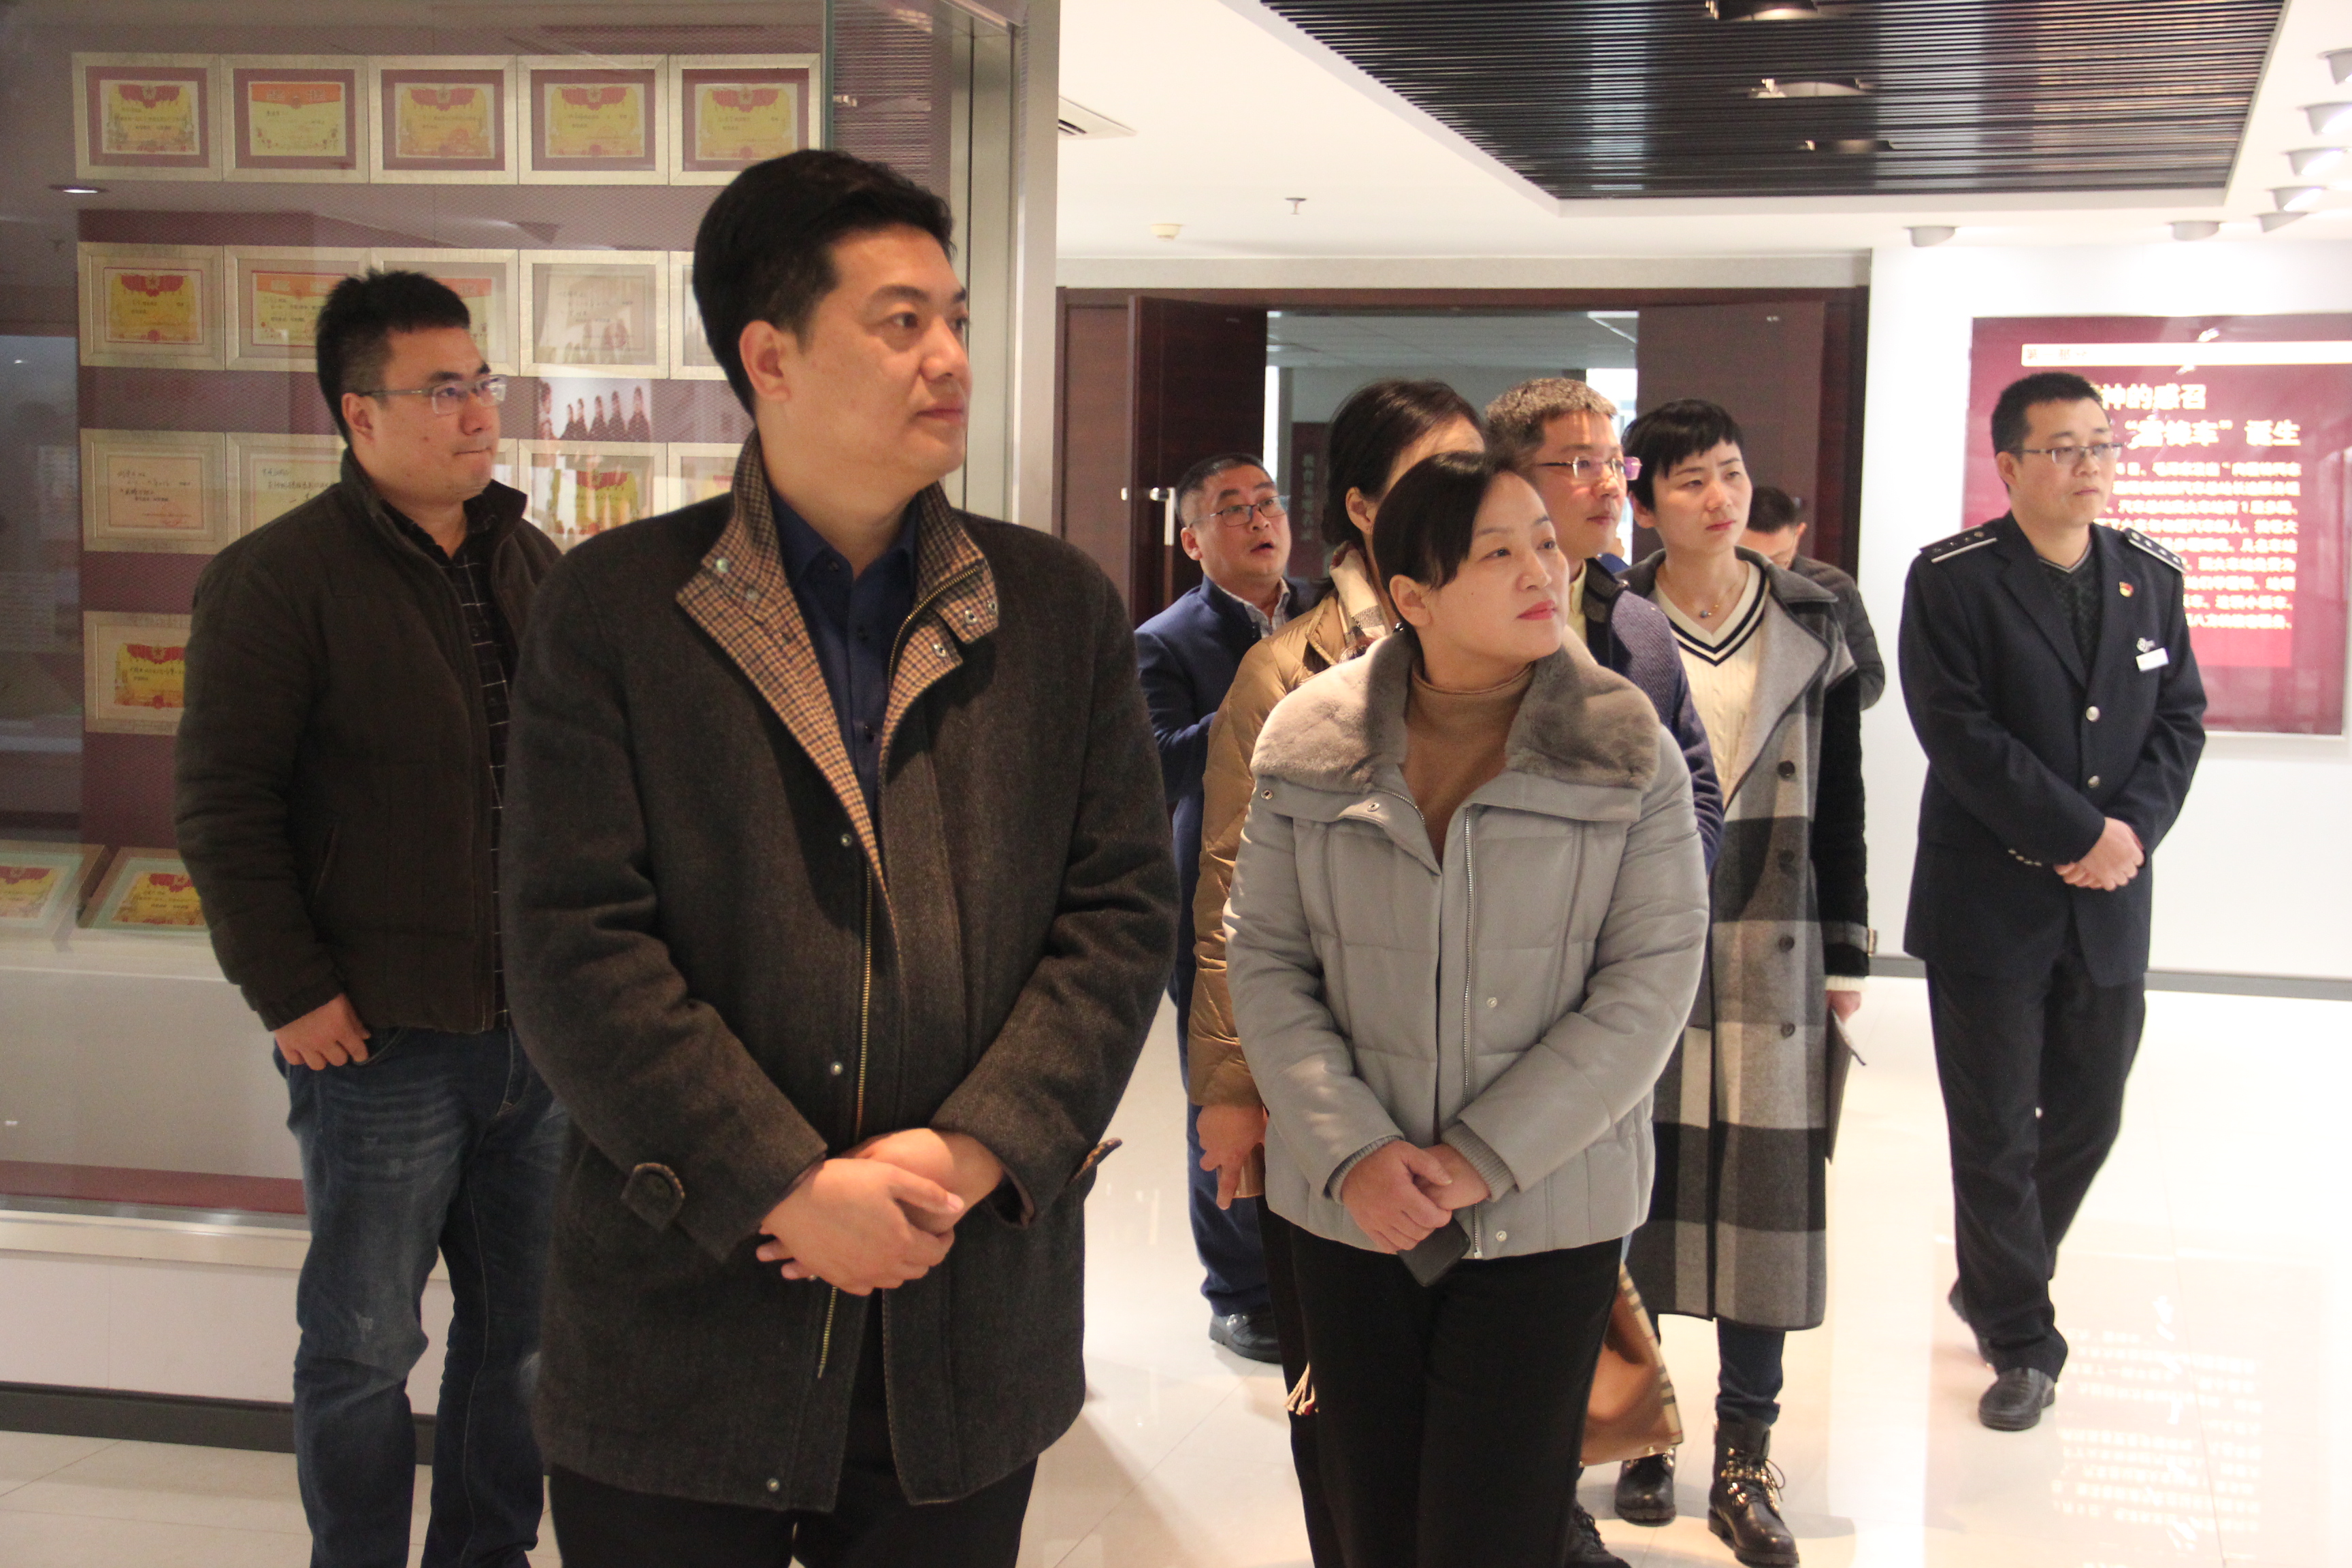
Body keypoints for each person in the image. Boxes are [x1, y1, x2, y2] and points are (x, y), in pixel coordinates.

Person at [497, 149, 1175, 1565]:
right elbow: (576, 946)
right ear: (771, 357)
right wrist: (786, 1184)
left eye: (956, 318)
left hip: (961, 1300)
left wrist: (967, 1150)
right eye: (900, 321)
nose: (950, 358)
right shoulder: (617, 607)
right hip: (686, 1308)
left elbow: (1118, 918)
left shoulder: (1054, 609)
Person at [1226, 448, 1709, 1568]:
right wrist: (1355, 1151)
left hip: (1547, 1203)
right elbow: (1266, 960)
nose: (1542, 569)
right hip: (1350, 1206)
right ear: (1413, 595)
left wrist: (1484, 1155)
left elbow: (1649, 981)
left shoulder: (1625, 742)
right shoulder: (1307, 736)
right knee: (1367, 1513)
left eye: (1543, 540)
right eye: (1498, 553)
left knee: (1494, 1522)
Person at [174, 269, 564, 1567]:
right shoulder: (277, 579)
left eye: (481, 382)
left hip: (536, 1038)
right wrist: (291, 989)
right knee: (361, 1343)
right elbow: (224, 807)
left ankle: (483, 1553)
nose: (478, 412)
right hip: (378, 1041)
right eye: (442, 389)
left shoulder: (529, 559)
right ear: (360, 412)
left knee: (524, 1339)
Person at [1189, 377, 1482, 1568]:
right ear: (1362, 507)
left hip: (1492, 1084)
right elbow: (1231, 899)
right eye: (1431, 472)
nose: (1465, 495)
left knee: (1491, 1418)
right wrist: (1229, 1085)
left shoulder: (1525, 646)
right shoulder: (1284, 672)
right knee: (1354, 1414)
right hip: (1332, 1087)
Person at [1899, 372, 2204, 1431]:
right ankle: (2022, 1341)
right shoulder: (1954, 578)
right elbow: (1960, 734)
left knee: (2090, 1112)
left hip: (2111, 898)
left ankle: (1997, 1274)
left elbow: (2180, 721)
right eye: (2065, 447)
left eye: (2102, 445)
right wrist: (2081, 834)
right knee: (1993, 1130)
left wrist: (2129, 836)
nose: (2090, 466)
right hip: (1989, 903)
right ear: (2010, 464)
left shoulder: (2149, 575)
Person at [1622, 398, 1869, 1568]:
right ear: (1645, 502)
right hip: (1644, 942)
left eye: (1729, 472)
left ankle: (1745, 1454)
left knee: (1766, 1201)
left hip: (1777, 938)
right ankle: (1644, 1430)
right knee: (1641, 1194)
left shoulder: (1813, 614)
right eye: (1689, 481)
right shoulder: (1612, 618)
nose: (1718, 498)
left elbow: (1846, 791)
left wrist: (1849, 951)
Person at [1133, 451, 1321, 1362]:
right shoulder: (1165, 642)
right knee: (1227, 1093)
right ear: (1192, 540)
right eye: (1233, 508)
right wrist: (1268, 696)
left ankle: (1318, 1267)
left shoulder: (1336, 613)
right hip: (1222, 896)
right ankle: (1240, 1291)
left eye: (1269, 502)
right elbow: (1161, 762)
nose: (1259, 519)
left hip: (1333, 887)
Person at [1488, 376, 1723, 866]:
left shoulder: (1641, 624)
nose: (1611, 485)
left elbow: (1696, 788)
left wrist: (1663, 890)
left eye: (1617, 464)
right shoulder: (1467, 615)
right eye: (1583, 465)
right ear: (1510, 477)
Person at [1742, 485, 1884, 709]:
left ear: (1798, 534)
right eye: (1751, 559)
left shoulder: (1833, 588)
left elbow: (1870, 677)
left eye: (1779, 559)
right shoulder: (1711, 589)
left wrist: (1817, 710)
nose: (1767, 570)